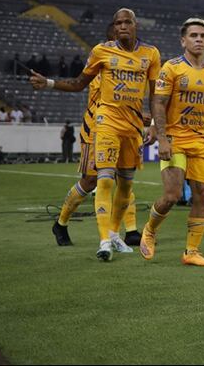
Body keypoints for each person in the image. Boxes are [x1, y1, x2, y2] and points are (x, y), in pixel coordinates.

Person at [31, 9, 160, 261]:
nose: (121, 29)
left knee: (123, 182)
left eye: (127, 23)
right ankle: (93, 234)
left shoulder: (148, 54)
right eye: (117, 25)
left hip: (130, 126)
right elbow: (80, 84)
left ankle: (121, 232)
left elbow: (149, 94)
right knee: (97, 179)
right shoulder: (101, 57)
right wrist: (49, 83)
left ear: (135, 26)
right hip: (98, 124)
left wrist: (149, 120)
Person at [140, 18, 204, 267]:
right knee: (172, 195)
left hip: (200, 140)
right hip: (175, 138)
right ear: (183, 41)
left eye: (203, 36)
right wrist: (162, 138)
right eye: (194, 35)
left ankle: (192, 251)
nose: (199, 39)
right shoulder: (171, 68)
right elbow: (158, 103)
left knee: (202, 195)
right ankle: (150, 229)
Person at [50, 26, 141, 248]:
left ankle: (130, 230)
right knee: (91, 181)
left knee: (124, 179)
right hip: (96, 128)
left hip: (123, 128)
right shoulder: (101, 67)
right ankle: (61, 223)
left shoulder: (129, 66)